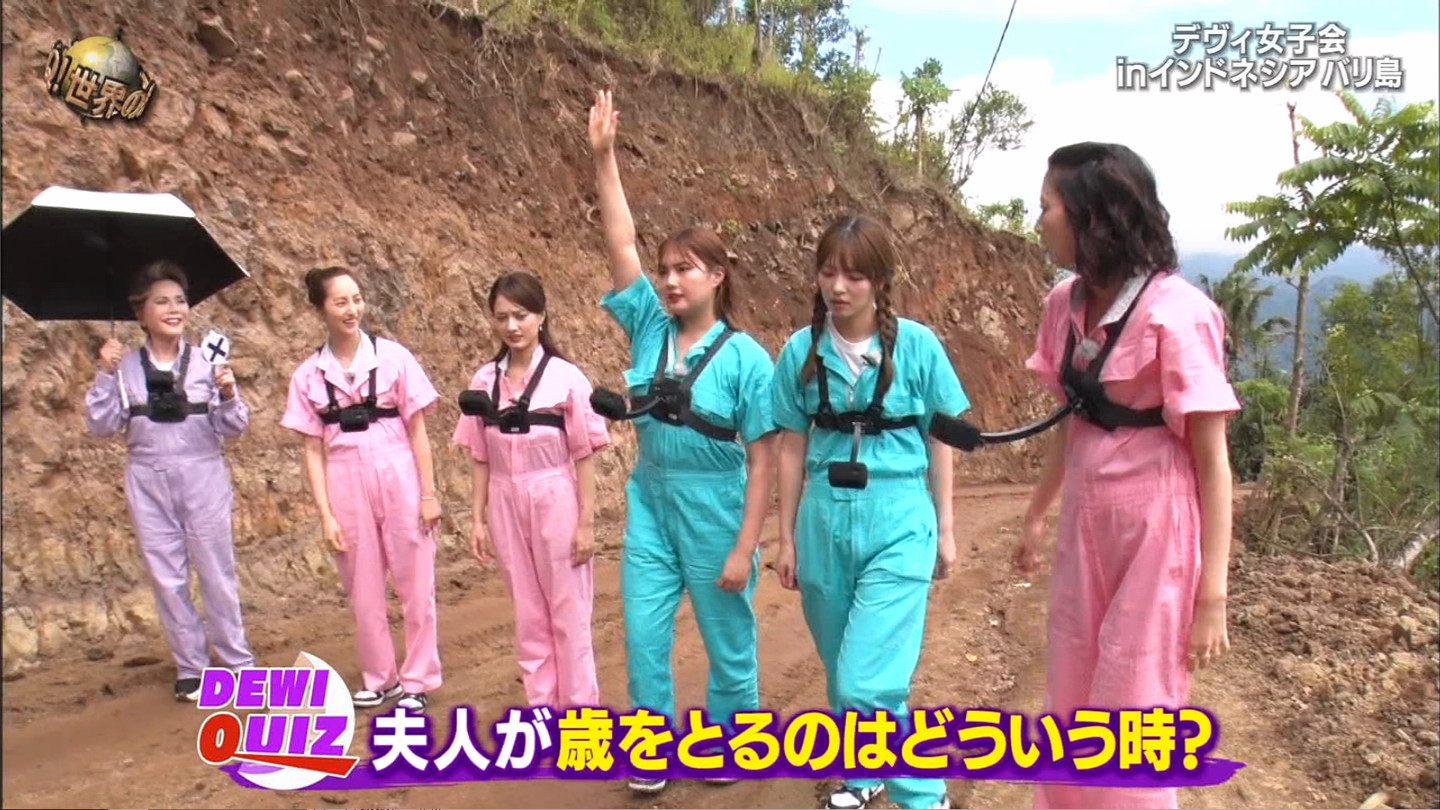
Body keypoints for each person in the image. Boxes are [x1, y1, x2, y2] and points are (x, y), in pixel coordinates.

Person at [1019, 142, 1239, 809]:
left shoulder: (1179, 312)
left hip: (1157, 524)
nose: (1038, 221)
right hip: (1086, 519)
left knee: (1135, 701)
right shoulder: (1064, 304)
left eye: (1047, 207)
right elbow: (1073, 419)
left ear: (1092, 217)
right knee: (1070, 690)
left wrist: (1211, 594)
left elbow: (1213, 460)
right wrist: (1035, 512)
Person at [588, 89, 777, 795]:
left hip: (717, 506)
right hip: (651, 501)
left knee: (728, 638)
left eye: (684, 269)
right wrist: (604, 158)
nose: (668, 280)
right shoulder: (647, 325)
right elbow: (621, 244)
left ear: (717, 277)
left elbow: (763, 459)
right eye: (665, 270)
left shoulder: (748, 359)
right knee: (642, 633)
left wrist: (744, 546)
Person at [772, 213, 966, 810]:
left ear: (881, 280)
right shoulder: (800, 350)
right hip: (823, 518)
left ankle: (924, 796)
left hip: (899, 518)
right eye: (828, 272)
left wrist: (946, 529)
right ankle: (863, 774)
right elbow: (790, 445)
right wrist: (785, 537)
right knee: (842, 670)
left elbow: (941, 439)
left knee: (867, 680)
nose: (839, 287)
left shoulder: (918, 346)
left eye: (854, 276)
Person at [84, 260, 255, 702]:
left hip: (202, 473)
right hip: (146, 477)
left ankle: (237, 662)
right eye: (161, 301)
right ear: (140, 312)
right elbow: (102, 424)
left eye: (180, 300)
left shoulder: (207, 362)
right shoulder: (123, 365)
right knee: (166, 577)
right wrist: (103, 372)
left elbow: (233, 427)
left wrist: (229, 392)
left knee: (216, 570)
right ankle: (191, 667)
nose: (174, 309)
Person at [280, 266, 443, 712]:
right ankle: (380, 677)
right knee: (362, 586)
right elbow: (312, 450)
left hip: (397, 471)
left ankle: (418, 678)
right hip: (345, 478)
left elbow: (418, 430)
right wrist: (326, 515)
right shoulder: (308, 375)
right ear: (320, 309)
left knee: (415, 583)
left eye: (356, 299)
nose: (352, 309)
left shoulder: (394, 357)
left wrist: (428, 494)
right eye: (340, 302)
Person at [453, 270, 610, 708]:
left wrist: (585, 523)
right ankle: (541, 709)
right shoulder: (485, 381)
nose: (512, 326)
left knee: (569, 613)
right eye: (502, 317)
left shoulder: (566, 378)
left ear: (541, 316)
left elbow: (583, 454)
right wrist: (477, 518)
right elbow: (480, 455)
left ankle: (579, 712)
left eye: (521, 315)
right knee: (528, 613)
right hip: (504, 500)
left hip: (555, 494)